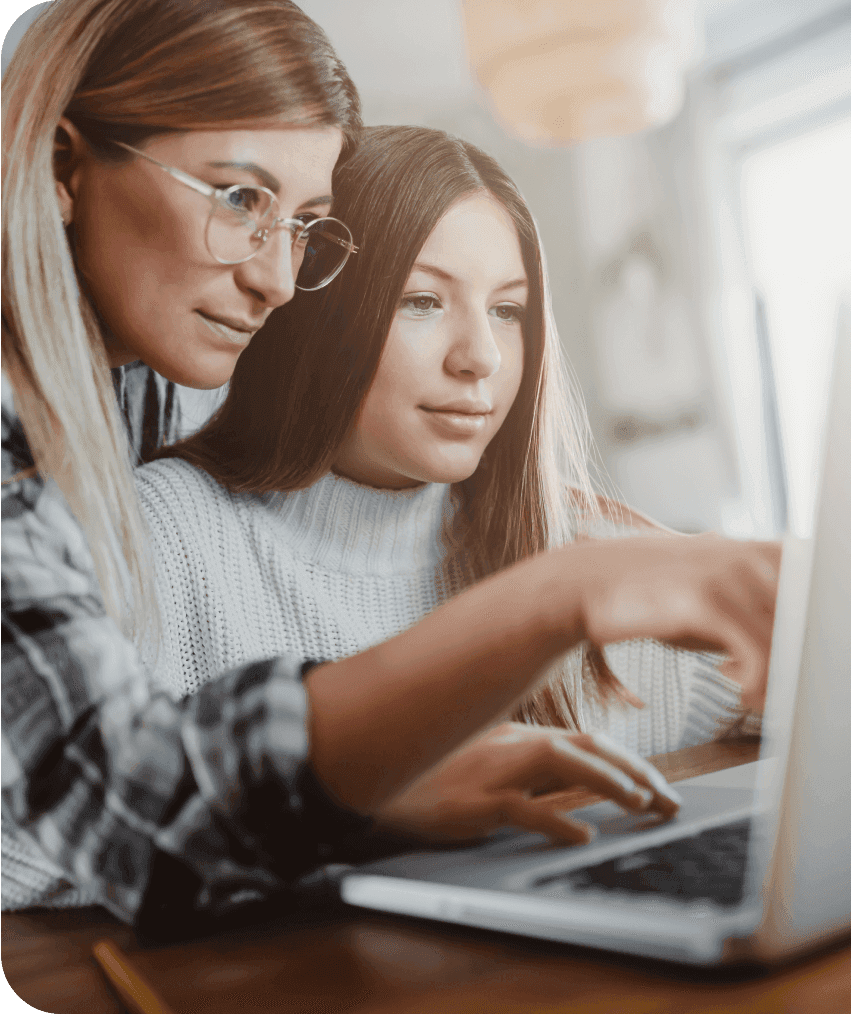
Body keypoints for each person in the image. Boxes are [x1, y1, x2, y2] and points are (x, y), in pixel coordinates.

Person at [1, 0, 778, 935]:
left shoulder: (146, 371)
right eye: (240, 198)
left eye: (303, 226)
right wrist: (560, 591)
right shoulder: (121, 487)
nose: (277, 283)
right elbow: (106, 814)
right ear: (60, 168)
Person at [139, 125, 759, 777]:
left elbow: (836, 683)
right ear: (316, 315)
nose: (481, 358)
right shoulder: (169, 536)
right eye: (423, 301)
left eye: (507, 310)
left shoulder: (582, 548)